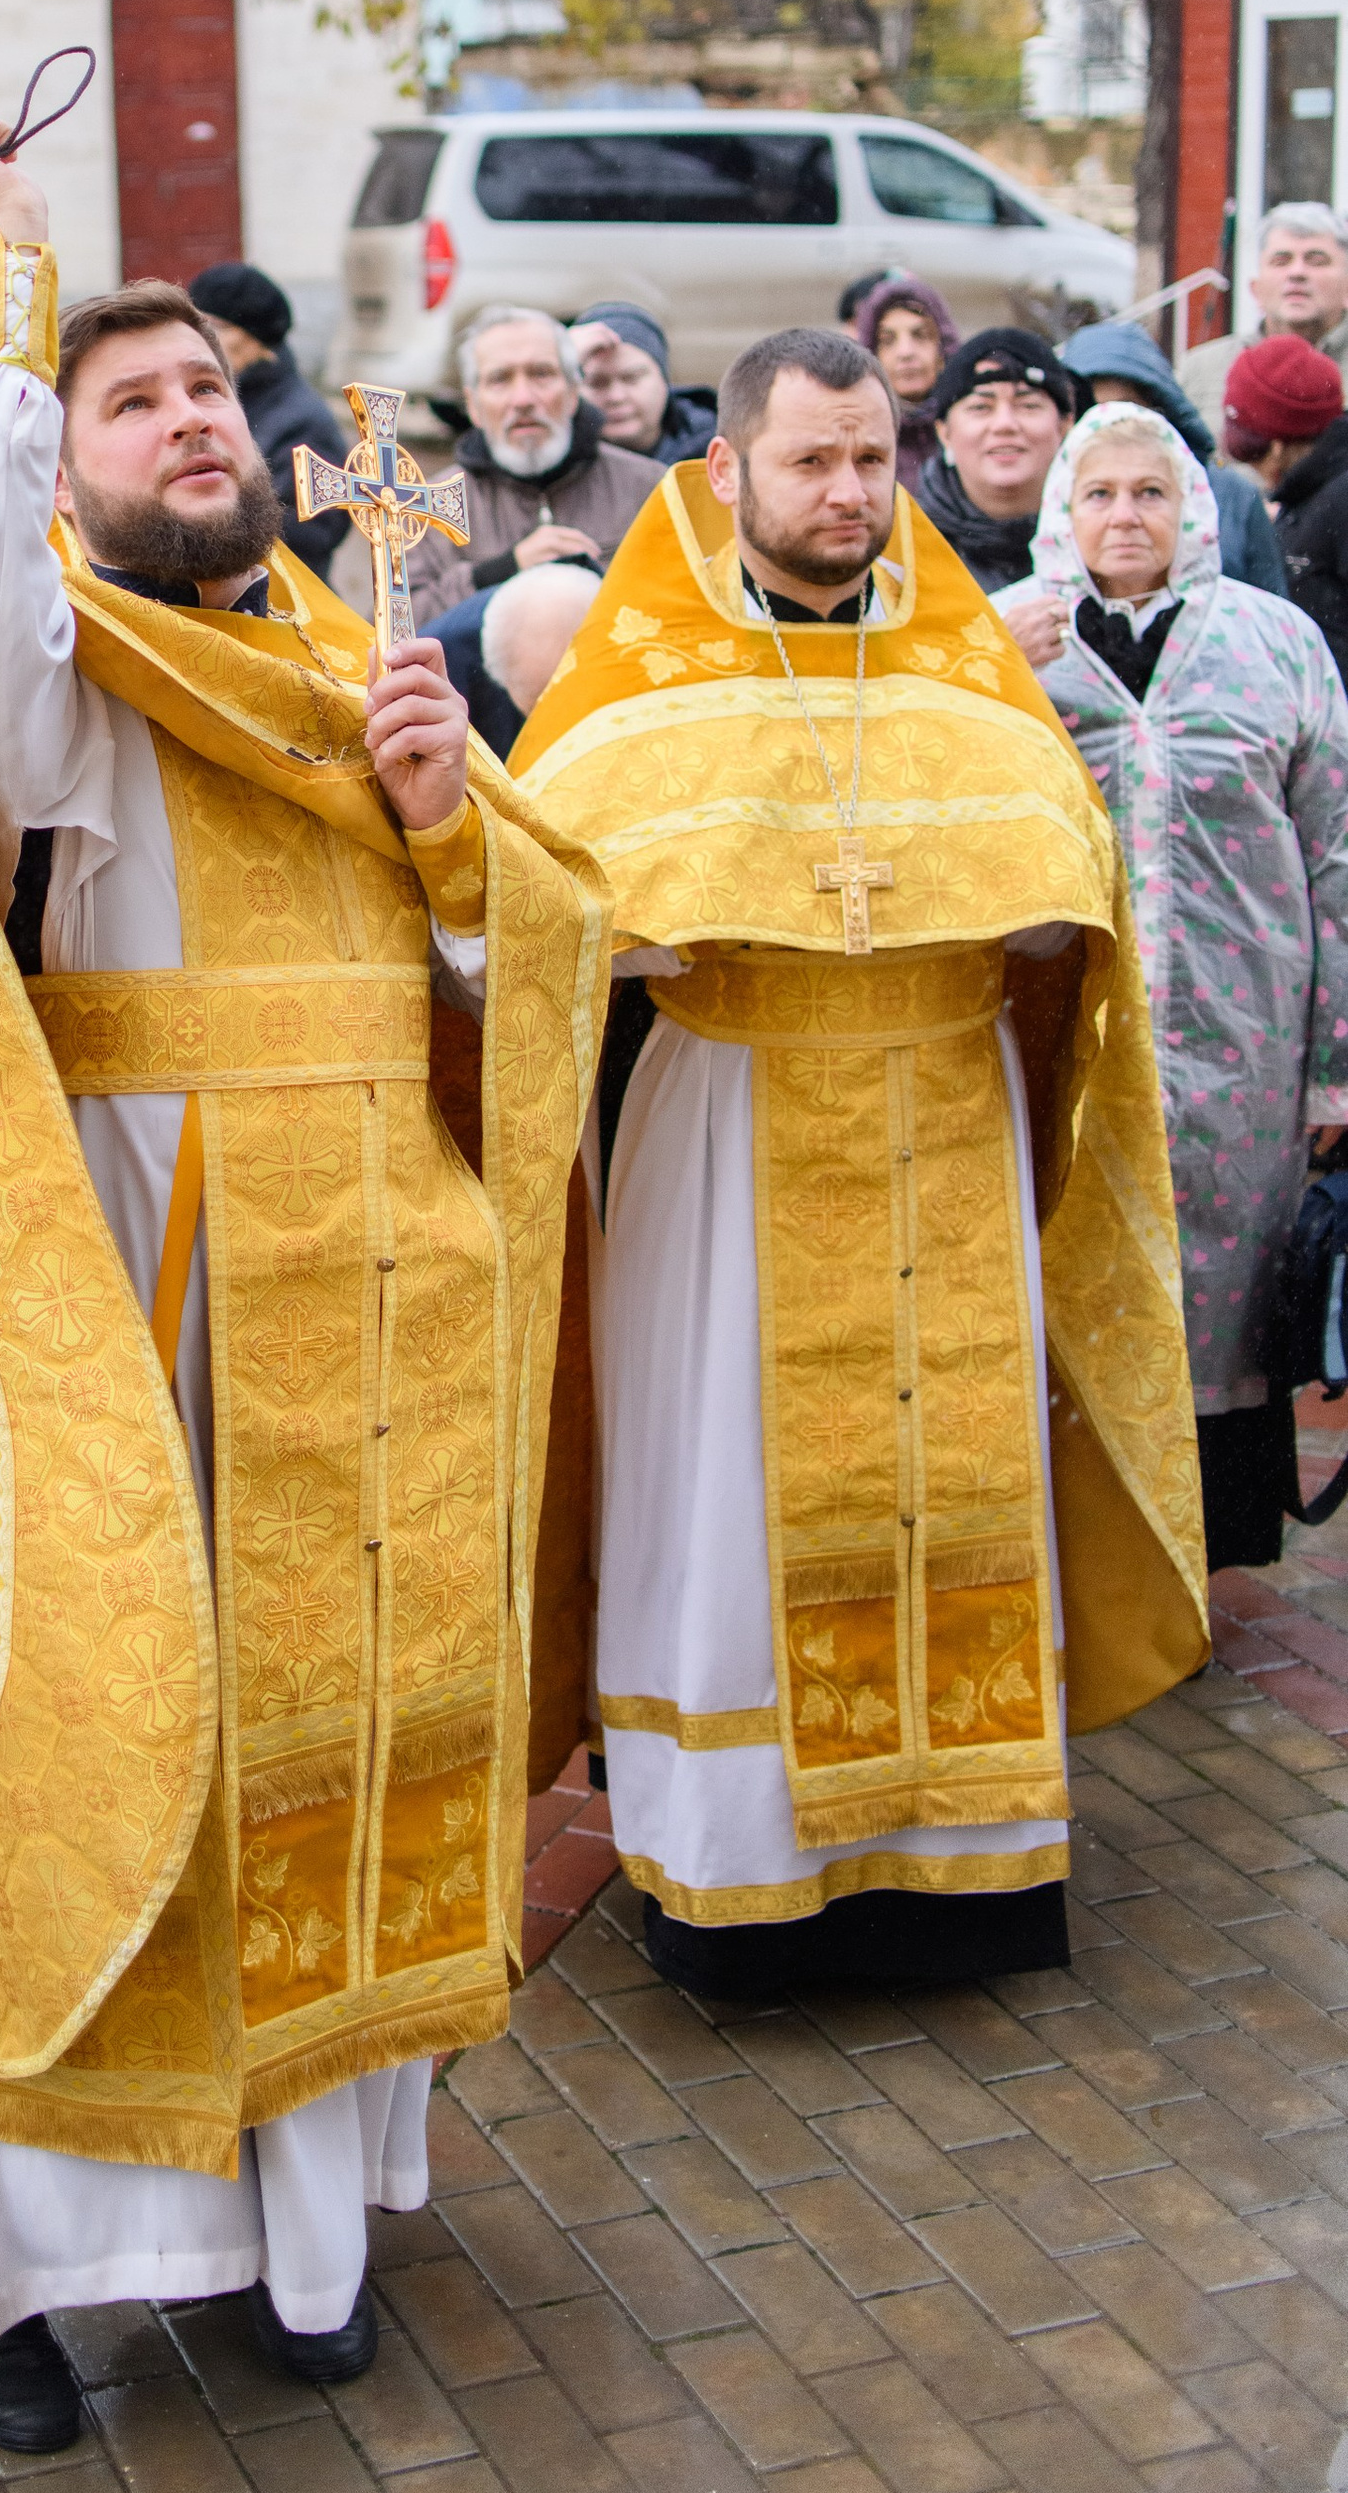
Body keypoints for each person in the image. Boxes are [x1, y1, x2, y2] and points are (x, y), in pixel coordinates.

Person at [0, 108, 607, 2454]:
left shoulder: (355, 663)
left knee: (332, 1756)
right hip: (146, 1324)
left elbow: (519, 964)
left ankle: (300, 2234)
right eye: (128, 401)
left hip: (378, 1334)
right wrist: (5, 274)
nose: (188, 427)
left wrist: (456, 825)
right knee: (118, 1762)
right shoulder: (57, 686)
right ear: (65, 464)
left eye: (206, 400)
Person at [512, 330, 1204, 2000]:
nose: (848, 494)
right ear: (728, 466)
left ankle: (962, 1871)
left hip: (948, 1124)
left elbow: (1069, 880)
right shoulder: (641, 673)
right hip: (732, 1127)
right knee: (726, 1480)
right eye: (813, 461)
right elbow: (539, 919)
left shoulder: (966, 662)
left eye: (873, 462)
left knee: (952, 1482)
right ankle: (742, 1877)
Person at [999, 406, 1348, 1571]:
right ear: (1063, 513)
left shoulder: (1276, 641)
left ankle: (1209, 1548)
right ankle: (1091, 1558)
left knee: (1228, 1283)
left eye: (1149, 492)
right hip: (1065, 1031)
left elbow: (1337, 851)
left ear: (1193, 508)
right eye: (1097, 494)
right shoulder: (1011, 646)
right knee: (1076, 1269)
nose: (1124, 516)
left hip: (1245, 1036)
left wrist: (1336, 1062)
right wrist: (991, 669)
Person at [407, 307, 661, 632]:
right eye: (500, 379)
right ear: (473, 405)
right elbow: (398, 632)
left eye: (541, 374)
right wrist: (501, 572)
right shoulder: (424, 509)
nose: (523, 399)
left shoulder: (648, 487)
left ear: (572, 393)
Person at [1052, 316, 1287, 592]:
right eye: (1092, 412)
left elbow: (1270, 607)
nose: (1109, 425)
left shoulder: (1232, 498)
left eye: (1129, 410)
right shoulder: (1045, 494)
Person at [187, 261, 351, 574]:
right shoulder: (215, 403)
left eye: (211, 328)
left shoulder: (303, 424)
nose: (198, 341)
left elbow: (305, 541)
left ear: (256, 339)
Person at [908, 326, 1075, 589]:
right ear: (944, 432)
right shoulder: (902, 544)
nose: (1004, 424)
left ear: (1065, 425)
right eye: (980, 407)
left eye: (1028, 405)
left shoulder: (1103, 537)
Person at [1222, 337, 1348, 685]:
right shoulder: (1308, 496)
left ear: (1277, 446)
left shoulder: (1337, 499)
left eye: (1248, 446)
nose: (1247, 463)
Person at [1179, 201, 1348, 441]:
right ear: (1255, 290)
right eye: (1281, 260)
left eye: (1316, 260)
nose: (1297, 272)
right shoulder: (1200, 370)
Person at [430, 563, 603, 760]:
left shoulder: (626, 625)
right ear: (500, 679)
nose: (559, 723)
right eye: (538, 706)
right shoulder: (446, 661)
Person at [567, 303, 715, 465]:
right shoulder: (554, 457)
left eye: (632, 378)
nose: (617, 397)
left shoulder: (717, 449)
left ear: (664, 379)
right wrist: (562, 361)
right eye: (597, 383)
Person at [849, 271, 958, 484]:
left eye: (921, 335)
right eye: (887, 340)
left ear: (943, 348)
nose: (906, 352)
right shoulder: (856, 435)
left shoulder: (969, 427)